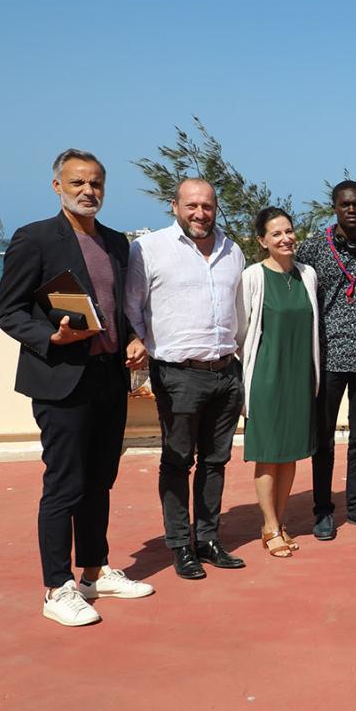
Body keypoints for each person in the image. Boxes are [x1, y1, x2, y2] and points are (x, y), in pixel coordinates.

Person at [0, 149, 153, 626]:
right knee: (64, 483)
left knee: (100, 480)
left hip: (109, 377)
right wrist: (51, 337)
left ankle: (94, 572)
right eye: (78, 182)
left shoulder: (116, 242)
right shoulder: (35, 238)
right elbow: (9, 311)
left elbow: (119, 306)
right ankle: (56, 587)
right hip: (61, 379)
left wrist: (133, 337)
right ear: (57, 186)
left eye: (96, 183)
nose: (88, 191)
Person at [125, 178, 248, 581]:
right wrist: (138, 343)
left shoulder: (233, 251)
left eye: (207, 206)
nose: (200, 213)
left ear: (216, 208)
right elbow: (132, 308)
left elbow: (239, 311)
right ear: (174, 206)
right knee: (178, 461)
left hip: (226, 372)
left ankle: (208, 539)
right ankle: (180, 544)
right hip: (178, 374)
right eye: (191, 205)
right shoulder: (148, 249)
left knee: (216, 461)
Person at [293, 180, 356, 540]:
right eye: (345, 204)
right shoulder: (314, 247)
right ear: (334, 206)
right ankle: (322, 509)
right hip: (328, 354)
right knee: (324, 439)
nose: (352, 210)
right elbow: (302, 291)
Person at [237, 208, 320, 558]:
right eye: (276, 234)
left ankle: (280, 521)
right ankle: (269, 525)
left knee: (290, 453)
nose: (285, 239)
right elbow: (241, 330)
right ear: (262, 241)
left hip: (300, 375)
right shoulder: (253, 276)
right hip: (267, 376)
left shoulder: (308, 274)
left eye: (288, 231)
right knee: (268, 454)